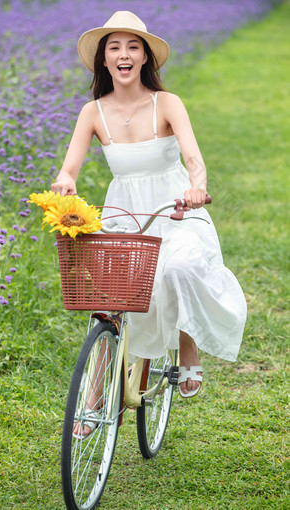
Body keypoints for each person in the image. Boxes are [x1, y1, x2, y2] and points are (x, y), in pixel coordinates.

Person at [52, 11, 247, 406]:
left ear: (145, 58)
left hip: (174, 210)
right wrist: (65, 183)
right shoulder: (94, 112)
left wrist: (198, 189)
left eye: (133, 47)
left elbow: (194, 158)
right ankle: (92, 397)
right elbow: (69, 167)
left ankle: (188, 345)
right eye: (115, 48)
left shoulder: (167, 103)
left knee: (179, 268)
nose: (124, 55)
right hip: (125, 216)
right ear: (103, 60)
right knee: (110, 303)